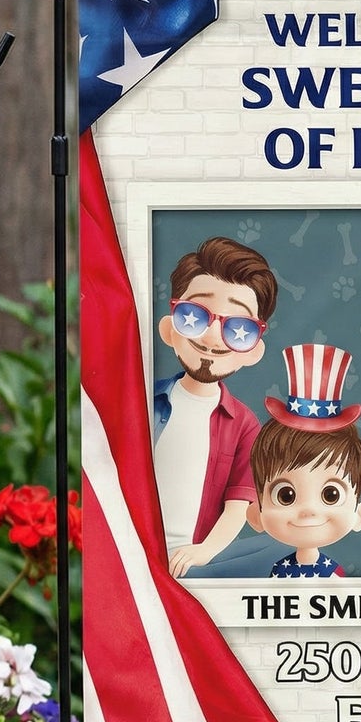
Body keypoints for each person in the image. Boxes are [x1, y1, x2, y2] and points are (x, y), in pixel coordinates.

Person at [153, 237, 275, 576]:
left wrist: (203, 552)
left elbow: (237, 507)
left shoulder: (244, 424)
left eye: (238, 328)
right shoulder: (142, 401)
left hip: (188, 565)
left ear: (254, 350)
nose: (211, 337)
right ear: (169, 328)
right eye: (194, 316)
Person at [248, 344, 361, 578]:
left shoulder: (333, 575)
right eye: (286, 496)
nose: (309, 510)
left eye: (331, 495)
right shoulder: (277, 572)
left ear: (360, 515)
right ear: (255, 515)